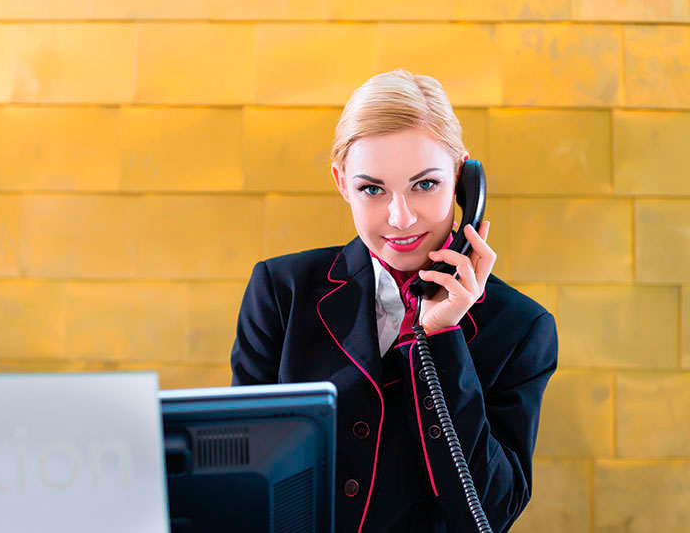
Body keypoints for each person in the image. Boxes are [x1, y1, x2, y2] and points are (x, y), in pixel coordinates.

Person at [230, 69, 558, 533]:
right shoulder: (281, 291)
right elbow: (240, 480)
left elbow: (489, 513)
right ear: (342, 183)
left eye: (425, 185)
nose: (400, 218)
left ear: (465, 183)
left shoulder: (522, 328)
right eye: (372, 189)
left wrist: (442, 338)